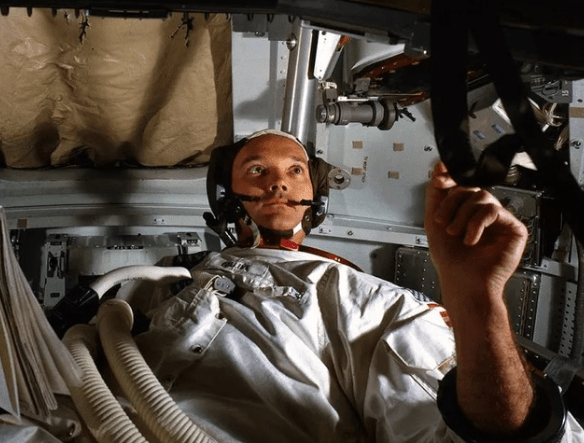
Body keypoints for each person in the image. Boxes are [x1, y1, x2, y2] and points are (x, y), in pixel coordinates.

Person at [134, 129, 584, 442]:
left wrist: (478, 300)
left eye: (296, 171)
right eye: (257, 170)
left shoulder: (361, 297)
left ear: (316, 197)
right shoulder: (162, 279)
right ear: (225, 195)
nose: (279, 182)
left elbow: (468, 434)